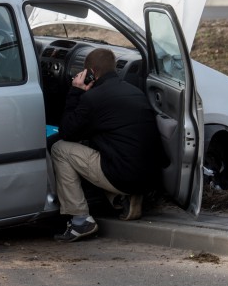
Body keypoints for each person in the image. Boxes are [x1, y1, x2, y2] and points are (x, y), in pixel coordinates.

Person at [50, 48, 165, 242]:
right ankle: (123, 199)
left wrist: (75, 91)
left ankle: (80, 220)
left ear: (92, 73)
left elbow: (67, 132)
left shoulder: (92, 99)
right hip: (150, 178)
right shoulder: (134, 91)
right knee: (101, 148)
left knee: (60, 149)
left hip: (123, 176)